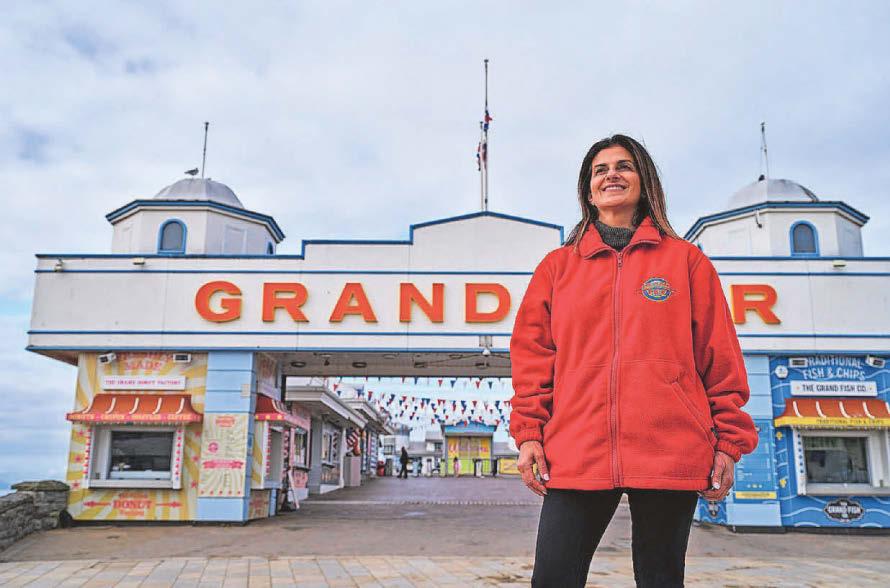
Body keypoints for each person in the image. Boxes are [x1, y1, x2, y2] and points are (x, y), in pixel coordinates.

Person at [509, 134, 759, 588]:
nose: (612, 175)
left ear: (644, 181)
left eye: (624, 166)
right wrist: (529, 433)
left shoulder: (687, 262)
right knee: (552, 577)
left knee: (661, 579)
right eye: (600, 170)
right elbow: (532, 359)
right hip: (577, 447)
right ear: (588, 190)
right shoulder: (557, 267)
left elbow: (718, 358)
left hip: (671, 448)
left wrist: (728, 442)